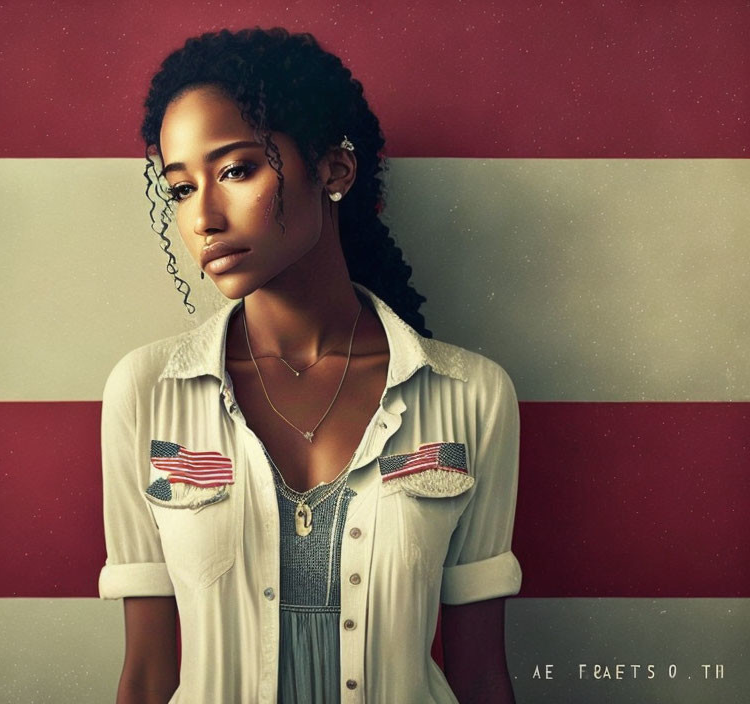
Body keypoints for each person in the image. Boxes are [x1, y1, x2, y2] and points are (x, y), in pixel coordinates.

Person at [98, 27, 522, 704]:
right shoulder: (149, 393)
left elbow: (480, 676)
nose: (203, 217)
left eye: (236, 170)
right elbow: (148, 676)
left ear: (333, 171)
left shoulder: (470, 396)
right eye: (180, 189)